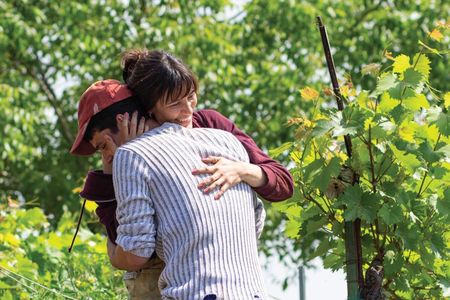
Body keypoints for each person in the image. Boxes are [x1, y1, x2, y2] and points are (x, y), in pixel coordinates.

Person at [73, 50, 294, 297]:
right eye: (175, 103)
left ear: (134, 117)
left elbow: (283, 182)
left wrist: (242, 170)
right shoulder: (125, 161)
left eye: (190, 97)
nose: (187, 109)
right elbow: (129, 238)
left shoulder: (213, 126)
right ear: (151, 110)